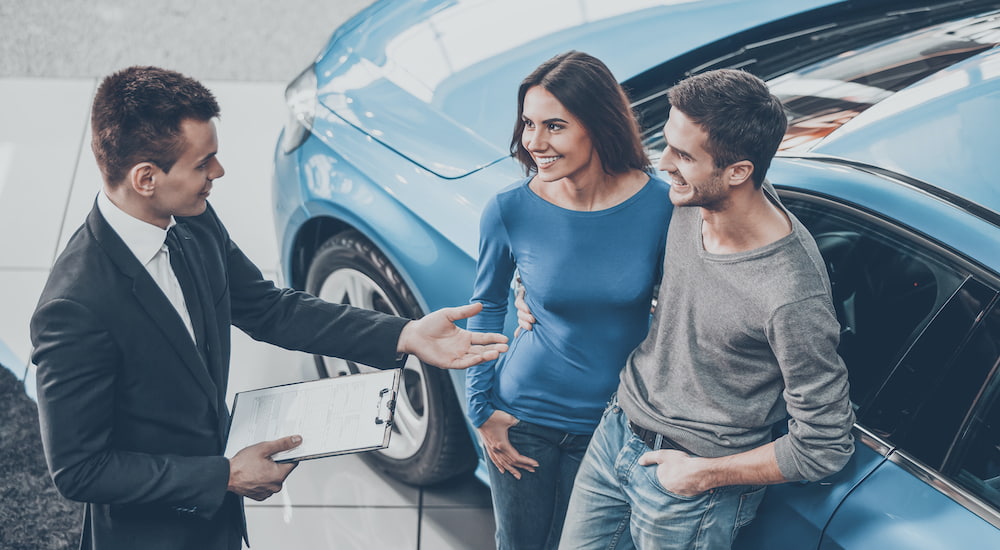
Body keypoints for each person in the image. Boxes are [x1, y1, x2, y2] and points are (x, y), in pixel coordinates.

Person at [29, 65, 508, 550]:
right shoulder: (74, 308)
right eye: (203, 163)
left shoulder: (190, 221)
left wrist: (404, 334)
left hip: (216, 518)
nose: (218, 173)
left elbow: (268, 308)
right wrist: (222, 476)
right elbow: (80, 469)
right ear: (146, 178)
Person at [514, 69, 855, 549]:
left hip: (690, 490)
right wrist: (530, 285)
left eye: (684, 155)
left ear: (738, 172)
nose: (663, 163)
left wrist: (702, 476)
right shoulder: (690, 200)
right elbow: (608, 246)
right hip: (617, 430)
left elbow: (824, 446)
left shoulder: (790, 296)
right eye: (668, 143)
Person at [466, 51, 673, 550]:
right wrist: (481, 409)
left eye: (554, 126)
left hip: (611, 423)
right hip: (522, 413)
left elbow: (681, 312)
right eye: (528, 124)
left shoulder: (663, 207)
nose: (534, 142)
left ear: (598, 125)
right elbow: (485, 306)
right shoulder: (510, 209)